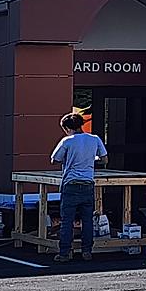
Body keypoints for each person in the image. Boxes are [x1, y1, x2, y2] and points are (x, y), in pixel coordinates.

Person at [50, 112, 108, 262]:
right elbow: (104, 159)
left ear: (68, 128)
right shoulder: (94, 139)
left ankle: (64, 253)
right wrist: (91, 158)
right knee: (87, 219)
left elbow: (54, 159)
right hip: (88, 183)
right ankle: (87, 251)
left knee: (67, 220)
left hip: (71, 184)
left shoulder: (67, 141)